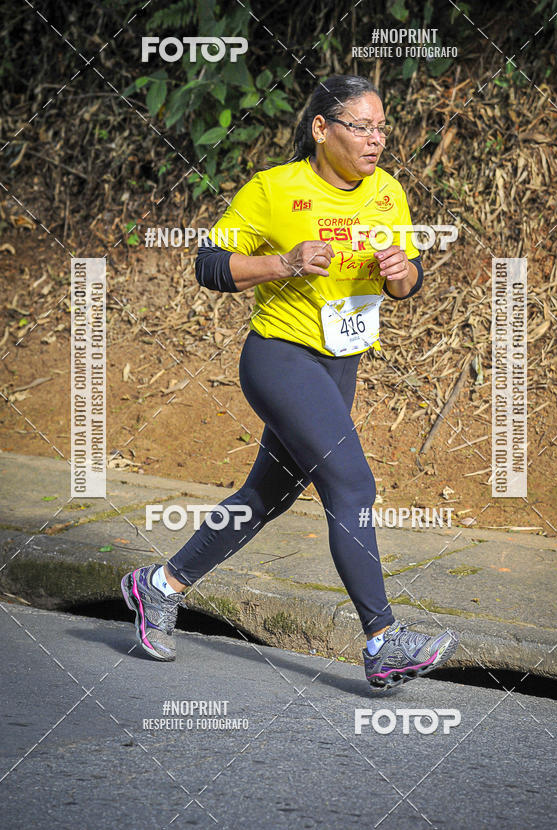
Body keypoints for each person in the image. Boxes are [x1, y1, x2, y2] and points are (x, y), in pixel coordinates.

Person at [121, 74, 458, 689]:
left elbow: (404, 284)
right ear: (321, 129)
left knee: (267, 497)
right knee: (351, 483)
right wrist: (284, 262)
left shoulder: (387, 193)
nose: (375, 139)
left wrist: (403, 273)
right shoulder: (274, 189)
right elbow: (208, 263)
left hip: (340, 365)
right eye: (361, 126)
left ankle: (159, 585)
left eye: (382, 126)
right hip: (279, 359)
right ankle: (383, 641)